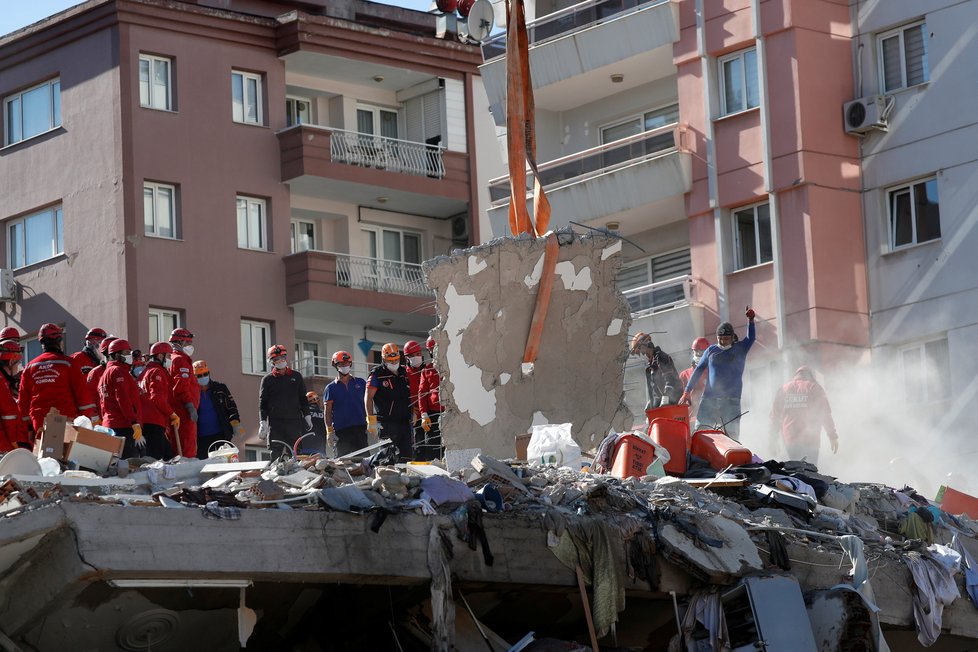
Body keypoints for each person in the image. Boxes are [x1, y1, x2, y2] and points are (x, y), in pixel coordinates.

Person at [680, 307, 757, 440]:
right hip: (709, 400)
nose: (723, 342)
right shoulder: (711, 351)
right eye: (720, 339)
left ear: (732, 338)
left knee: (732, 437)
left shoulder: (740, 349)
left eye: (726, 339)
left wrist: (750, 321)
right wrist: (687, 392)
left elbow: (751, 338)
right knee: (700, 433)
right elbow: (698, 370)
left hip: (731, 401)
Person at [19, 323, 98, 440]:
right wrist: (86, 419)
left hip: (39, 423)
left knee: (43, 457)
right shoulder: (68, 363)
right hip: (66, 420)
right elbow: (82, 395)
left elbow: (23, 401)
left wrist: (28, 427)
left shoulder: (30, 366)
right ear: (59, 341)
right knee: (66, 456)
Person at [769, 366, 839, 465]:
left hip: (790, 440)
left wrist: (772, 440)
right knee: (810, 472)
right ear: (811, 376)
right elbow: (825, 413)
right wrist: (832, 436)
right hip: (810, 441)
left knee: (795, 472)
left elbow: (774, 417)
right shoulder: (814, 387)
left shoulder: (784, 389)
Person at [258, 344, 312, 459]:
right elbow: (263, 403)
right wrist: (263, 422)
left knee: (296, 453)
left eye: (282, 357)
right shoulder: (267, 380)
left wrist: (307, 415)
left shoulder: (296, 377)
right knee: (275, 454)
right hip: (276, 423)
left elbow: (303, 398)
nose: (280, 361)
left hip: (294, 421)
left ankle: (297, 476)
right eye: (276, 359)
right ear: (271, 362)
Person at [96, 338, 145, 458]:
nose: (130, 355)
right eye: (126, 353)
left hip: (110, 425)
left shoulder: (105, 374)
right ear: (117, 355)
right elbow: (122, 399)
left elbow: (103, 404)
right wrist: (134, 422)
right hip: (123, 426)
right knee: (129, 467)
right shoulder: (118, 371)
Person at [366, 343, 414, 461]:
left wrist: (415, 411)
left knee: (407, 456)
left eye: (396, 359)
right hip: (386, 423)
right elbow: (368, 397)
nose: (394, 363)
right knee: (387, 456)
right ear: (383, 358)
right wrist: (370, 419)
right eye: (390, 360)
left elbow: (411, 394)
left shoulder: (404, 372)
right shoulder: (377, 374)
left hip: (405, 422)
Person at [193, 359, 245, 459]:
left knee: (224, 463)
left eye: (205, 374)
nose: (203, 377)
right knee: (206, 467)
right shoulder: (192, 393)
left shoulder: (220, 388)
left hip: (221, 434)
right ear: (194, 377)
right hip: (201, 438)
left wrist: (236, 424)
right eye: (199, 376)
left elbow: (231, 407)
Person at [323, 350, 368, 457]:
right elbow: (327, 412)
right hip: (341, 432)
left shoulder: (361, 382)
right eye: (342, 364)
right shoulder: (330, 388)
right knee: (341, 464)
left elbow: (370, 401)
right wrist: (329, 431)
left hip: (360, 428)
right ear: (335, 365)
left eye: (347, 363)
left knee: (365, 463)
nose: (345, 366)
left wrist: (373, 419)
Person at [139, 342, 179, 459]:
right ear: (160, 356)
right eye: (168, 356)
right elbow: (156, 397)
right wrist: (171, 413)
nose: (170, 359)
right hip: (154, 422)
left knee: (167, 456)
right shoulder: (157, 372)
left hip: (145, 422)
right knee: (157, 461)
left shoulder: (144, 373)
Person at [629, 332, 682, 412]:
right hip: (663, 404)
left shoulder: (661, 357)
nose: (642, 354)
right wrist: (652, 402)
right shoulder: (650, 365)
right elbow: (655, 390)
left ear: (644, 346)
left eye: (640, 350)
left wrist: (666, 397)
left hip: (673, 402)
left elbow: (670, 379)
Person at [168, 328, 200, 458]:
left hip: (177, 409)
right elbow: (181, 385)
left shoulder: (172, 359)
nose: (190, 346)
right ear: (179, 342)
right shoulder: (180, 360)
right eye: (188, 343)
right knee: (186, 447)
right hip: (183, 411)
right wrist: (189, 405)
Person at [0, 340, 30, 452]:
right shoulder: (1, 381)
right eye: (17, 363)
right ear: (12, 361)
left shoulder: (4, 381)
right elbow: (8, 415)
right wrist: (14, 442)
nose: (18, 367)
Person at [417, 338, 443, 461]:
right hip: (433, 415)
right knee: (432, 447)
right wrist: (424, 414)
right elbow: (422, 392)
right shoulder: (427, 370)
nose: (434, 351)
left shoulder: (451, 367)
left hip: (450, 413)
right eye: (431, 349)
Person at [678, 337, 710, 422]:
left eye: (701, 352)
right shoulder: (684, 375)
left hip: (710, 413)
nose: (698, 354)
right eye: (696, 351)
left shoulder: (713, 372)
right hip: (690, 416)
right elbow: (679, 399)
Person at [403, 339, 426, 456]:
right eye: (412, 355)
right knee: (416, 445)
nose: (416, 357)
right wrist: (411, 410)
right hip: (412, 414)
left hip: (427, 413)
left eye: (418, 354)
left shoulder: (427, 370)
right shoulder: (403, 373)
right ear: (407, 358)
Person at [297, 391, 327, 456]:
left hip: (303, 450)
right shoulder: (323, 414)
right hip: (320, 451)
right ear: (318, 402)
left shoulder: (300, 414)